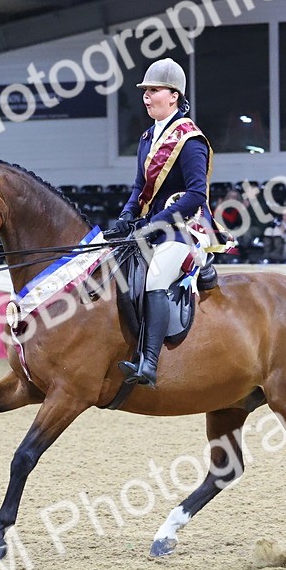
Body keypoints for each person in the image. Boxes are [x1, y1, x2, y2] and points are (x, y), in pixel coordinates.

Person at [109, 57, 230, 388]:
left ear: (174, 95)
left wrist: (154, 224)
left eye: (154, 90)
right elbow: (138, 187)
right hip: (150, 225)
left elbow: (195, 196)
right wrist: (126, 217)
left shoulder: (190, 140)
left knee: (156, 278)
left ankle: (149, 362)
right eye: (145, 92)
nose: (146, 97)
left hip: (183, 227)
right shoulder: (148, 137)